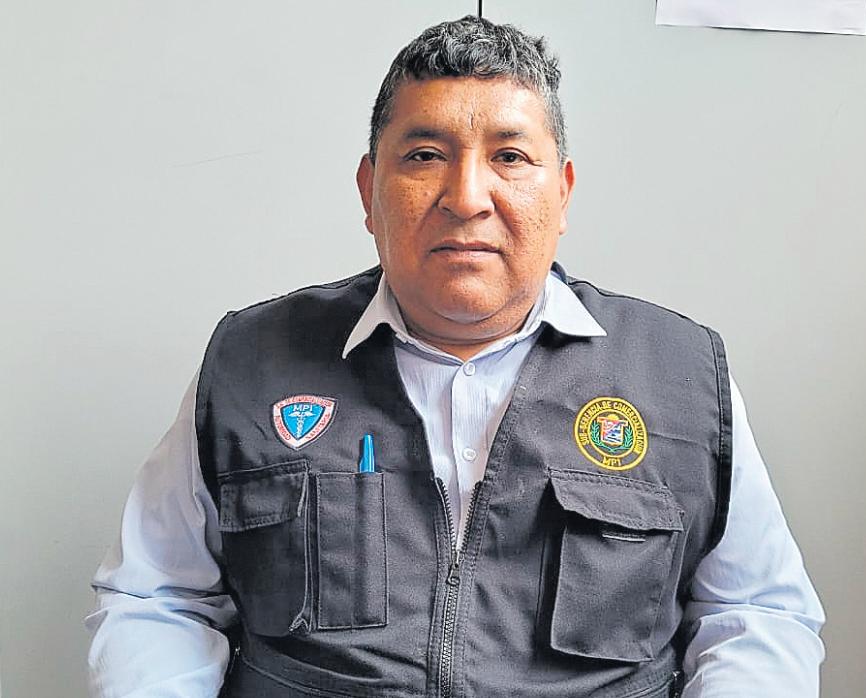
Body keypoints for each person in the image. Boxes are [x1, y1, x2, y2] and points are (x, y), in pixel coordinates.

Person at [86, 15, 825, 698]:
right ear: (369, 190)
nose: (467, 197)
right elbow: (160, 597)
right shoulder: (252, 361)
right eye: (425, 155)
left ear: (562, 194)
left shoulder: (679, 376)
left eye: (510, 156)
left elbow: (755, 612)